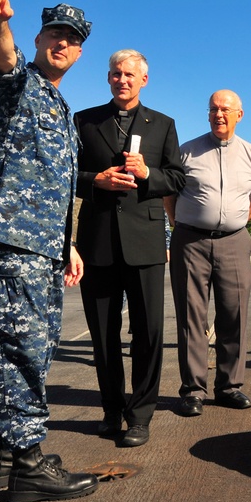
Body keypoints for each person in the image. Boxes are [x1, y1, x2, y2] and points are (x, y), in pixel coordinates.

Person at [0, 0, 98, 502]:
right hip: (9, 245)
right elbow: (2, 57)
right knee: (17, 352)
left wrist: (65, 242)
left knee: (36, 351)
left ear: (79, 50)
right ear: (40, 38)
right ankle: (27, 466)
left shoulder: (61, 110)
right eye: (53, 34)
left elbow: (54, 186)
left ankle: (5, 459)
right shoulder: (18, 84)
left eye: (71, 38)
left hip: (41, 250)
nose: (61, 43)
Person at [74, 50, 186, 447]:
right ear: (108, 78)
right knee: (104, 334)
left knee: (148, 331)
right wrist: (95, 180)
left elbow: (176, 178)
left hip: (146, 241)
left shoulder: (164, 125)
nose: (123, 80)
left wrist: (147, 174)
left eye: (130, 75)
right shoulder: (85, 121)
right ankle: (110, 409)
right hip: (97, 241)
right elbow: (67, 174)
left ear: (144, 80)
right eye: (116, 74)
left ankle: (140, 415)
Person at [166, 89, 251, 417]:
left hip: (234, 242)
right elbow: (168, 196)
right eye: (213, 109)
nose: (218, 115)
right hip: (190, 242)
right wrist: (179, 224)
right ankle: (193, 390)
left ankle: (229, 387)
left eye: (225, 109)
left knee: (234, 315)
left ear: (239, 115)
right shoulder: (186, 152)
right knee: (190, 317)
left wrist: (233, 222)